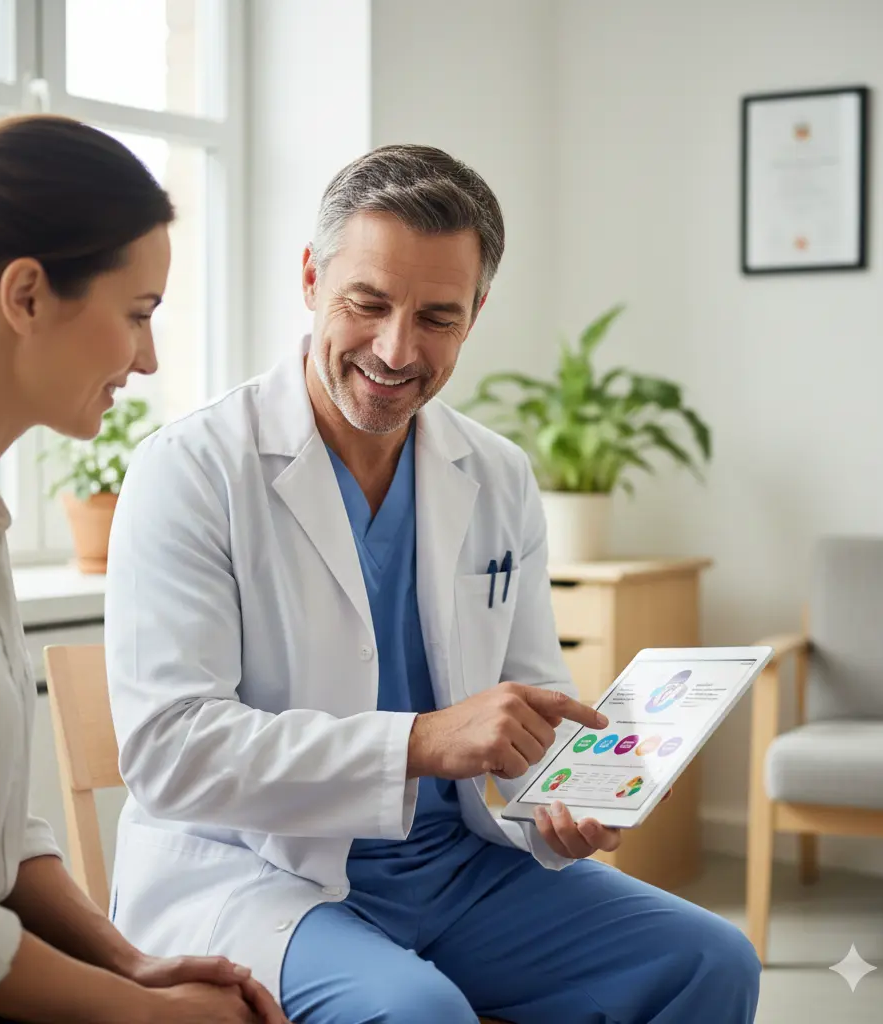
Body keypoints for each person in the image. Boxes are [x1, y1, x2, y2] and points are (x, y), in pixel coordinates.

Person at [104, 144, 762, 1022]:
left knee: (708, 960)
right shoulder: (191, 470)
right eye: (366, 303)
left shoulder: (495, 473)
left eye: (438, 318)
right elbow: (170, 753)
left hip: (460, 872)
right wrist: (420, 741)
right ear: (310, 278)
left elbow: (531, 697)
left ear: (476, 313)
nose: (394, 348)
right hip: (264, 874)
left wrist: (567, 797)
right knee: (419, 1013)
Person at [0, 116, 286, 1024]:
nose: (148, 358)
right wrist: (153, 1014)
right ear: (25, 295)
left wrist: (131, 961)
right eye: (138, 315)